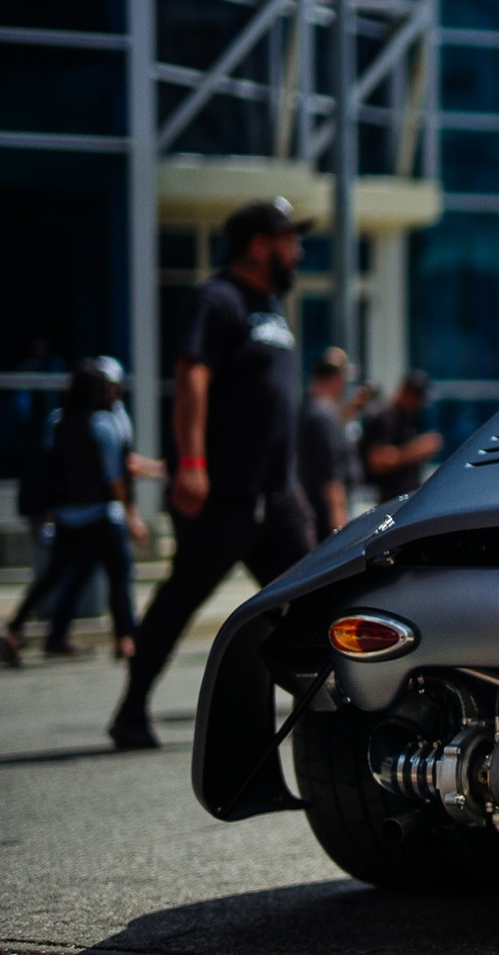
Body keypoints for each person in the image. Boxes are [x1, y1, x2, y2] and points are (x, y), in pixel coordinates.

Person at [109, 197, 319, 749]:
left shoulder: (270, 308)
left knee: (316, 597)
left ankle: (325, 710)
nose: (297, 252)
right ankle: (131, 709)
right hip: (223, 492)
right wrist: (193, 464)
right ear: (259, 244)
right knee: (181, 598)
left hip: (277, 494)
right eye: (288, 241)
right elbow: (191, 378)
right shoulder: (218, 298)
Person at [0, 362, 140, 665]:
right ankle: (125, 639)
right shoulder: (103, 423)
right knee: (119, 575)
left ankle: (15, 630)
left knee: (54, 577)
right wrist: (132, 515)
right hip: (100, 515)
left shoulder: (57, 421)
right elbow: (114, 477)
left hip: (67, 516)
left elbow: (52, 468)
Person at [362, 371, 442, 502]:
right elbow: (377, 460)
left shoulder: (409, 419)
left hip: (409, 499)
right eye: (414, 395)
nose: (417, 401)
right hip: (390, 502)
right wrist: (416, 450)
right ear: (404, 391)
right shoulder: (386, 418)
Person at [299, 351, 355, 536]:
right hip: (324, 512)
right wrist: (338, 519)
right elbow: (330, 471)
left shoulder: (311, 408)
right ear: (337, 379)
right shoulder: (324, 414)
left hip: (312, 506)